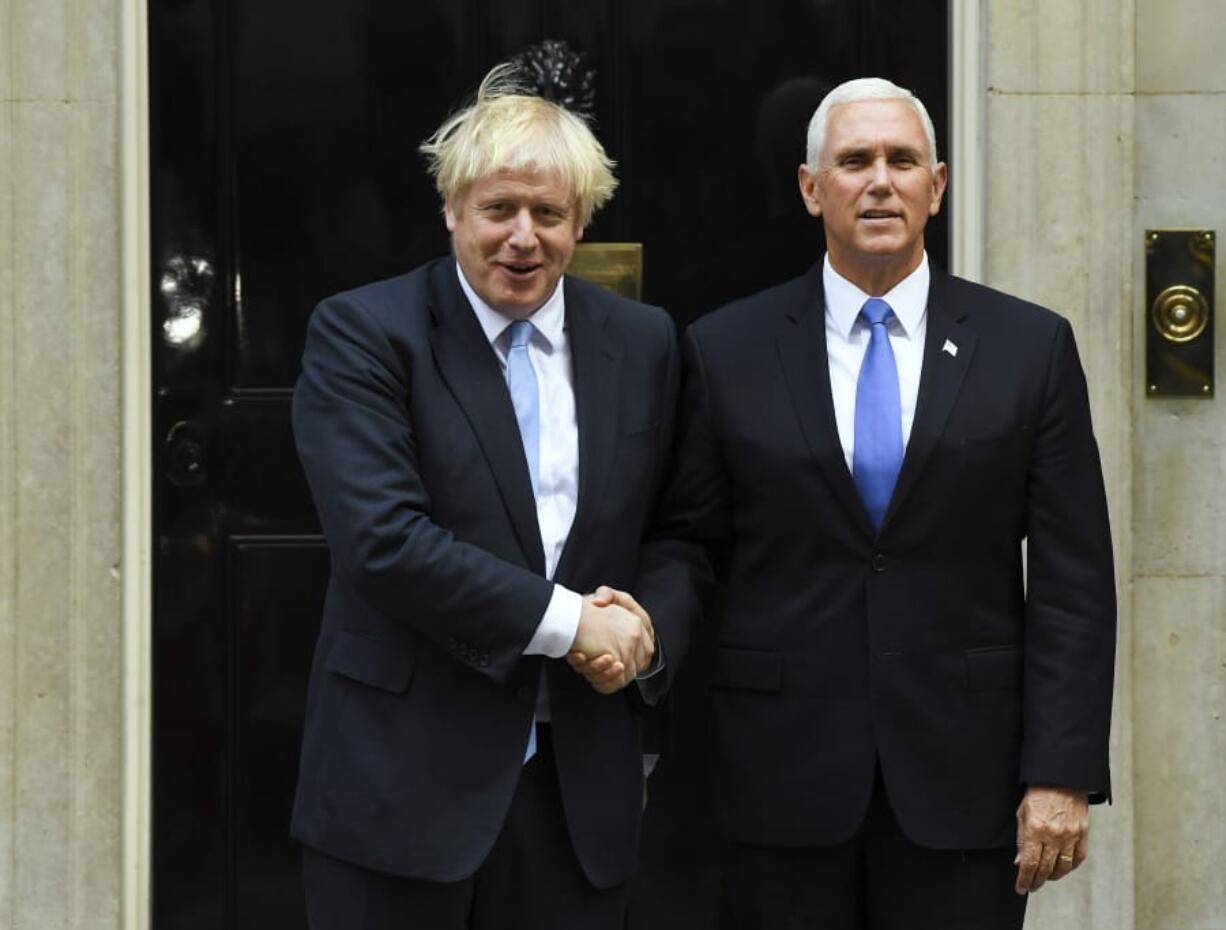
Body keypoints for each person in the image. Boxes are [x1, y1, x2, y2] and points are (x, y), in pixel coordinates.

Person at [575, 76, 1116, 929]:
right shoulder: (726, 348)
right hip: (773, 775)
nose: (880, 180)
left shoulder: (1030, 347)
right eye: (854, 160)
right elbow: (691, 542)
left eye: (903, 161)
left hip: (963, 779)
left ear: (936, 187)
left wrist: (1061, 771)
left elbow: (1073, 579)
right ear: (810, 187)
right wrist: (643, 639)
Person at [290, 64, 678, 930]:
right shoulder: (365, 333)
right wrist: (578, 623)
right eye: (499, 209)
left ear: (581, 220)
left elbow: (681, 528)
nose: (523, 237)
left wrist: (645, 632)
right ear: (453, 209)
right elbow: (386, 542)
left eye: (548, 213)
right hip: (400, 791)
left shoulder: (643, 342)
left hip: (577, 795)